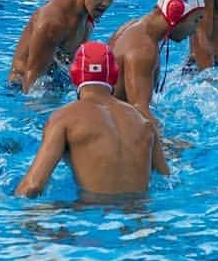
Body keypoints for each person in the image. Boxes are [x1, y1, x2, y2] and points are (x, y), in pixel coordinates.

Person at [14, 42, 169, 198]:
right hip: (140, 216)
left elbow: (33, 186)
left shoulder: (63, 119)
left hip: (93, 212)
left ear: (75, 76)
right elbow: (166, 179)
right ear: (114, 76)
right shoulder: (143, 121)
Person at [9, 0, 118, 92]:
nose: (106, 3)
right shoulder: (53, 23)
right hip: (20, 88)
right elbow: (32, 78)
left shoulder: (88, 9)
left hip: (56, 79)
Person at [108, 0, 206, 125]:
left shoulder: (133, 27)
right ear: (176, 14)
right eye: (196, 21)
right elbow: (140, 112)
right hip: (112, 129)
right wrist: (164, 143)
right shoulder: (143, 49)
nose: (195, 30)